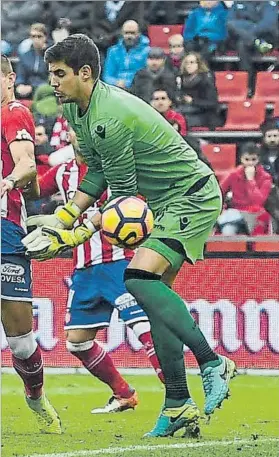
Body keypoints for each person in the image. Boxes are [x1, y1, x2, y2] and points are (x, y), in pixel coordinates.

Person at [23, 34, 236, 438]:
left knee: (137, 277)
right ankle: (178, 405)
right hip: (166, 201)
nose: (51, 82)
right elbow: (99, 172)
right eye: (50, 73)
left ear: (84, 73)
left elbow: (120, 197)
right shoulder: (78, 111)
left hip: (189, 197)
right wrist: (63, 216)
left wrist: (72, 236)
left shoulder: (110, 115)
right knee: (155, 300)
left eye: (59, 74)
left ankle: (211, 361)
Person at [28, 155, 164, 414]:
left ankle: (178, 401)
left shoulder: (115, 165)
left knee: (147, 332)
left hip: (119, 263)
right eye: (74, 129)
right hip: (85, 270)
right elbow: (34, 189)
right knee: (77, 342)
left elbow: (136, 202)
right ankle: (123, 394)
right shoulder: (63, 171)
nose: (79, 134)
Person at [0, 55, 61, 434]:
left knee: (21, 342)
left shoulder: (13, 112)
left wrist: (11, 182)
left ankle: (36, 396)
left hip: (5, 229)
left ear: (9, 79)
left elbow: (26, 167)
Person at [217, 142, 273, 236]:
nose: (250, 163)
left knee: (259, 233)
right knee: (228, 230)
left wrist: (251, 180)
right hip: (236, 212)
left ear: (258, 159)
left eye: (253, 159)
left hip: (257, 214)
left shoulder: (266, 177)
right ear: (241, 159)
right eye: (247, 159)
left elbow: (258, 201)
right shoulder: (233, 174)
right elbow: (219, 192)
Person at [227, 1, 279, 92]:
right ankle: (248, 86)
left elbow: (268, 24)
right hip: (247, 41)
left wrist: (247, 30)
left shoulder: (268, 4)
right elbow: (230, 21)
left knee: (242, 40)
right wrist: (253, 38)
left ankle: (248, 85)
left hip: (266, 39)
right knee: (239, 40)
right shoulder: (237, 3)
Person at [103, 20, 150, 89]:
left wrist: (127, 83)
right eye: (126, 33)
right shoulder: (112, 51)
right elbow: (107, 75)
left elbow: (146, 75)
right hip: (115, 87)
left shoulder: (147, 51)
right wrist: (116, 82)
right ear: (122, 33)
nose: (129, 36)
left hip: (138, 88)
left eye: (133, 33)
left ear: (139, 33)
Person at [178, 52, 220, 129]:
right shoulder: (180, 79)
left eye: (192, 62)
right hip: (187, 111)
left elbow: (212, 103)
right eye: (186, 63)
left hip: (205, 115)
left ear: (199, 64)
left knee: (181, 122)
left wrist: (193, 101)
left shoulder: (207, 80)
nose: (189, 65)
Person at [15, 23, 49, 99]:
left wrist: (33, 88)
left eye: (39, 36)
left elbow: (51, 79)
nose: (36, 40)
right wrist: (20, 85)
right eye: (33, 36)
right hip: (27, 92)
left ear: (45, 37)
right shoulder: (25, 56)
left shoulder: (52, 56)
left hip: (46, 92)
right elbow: (20, 75)